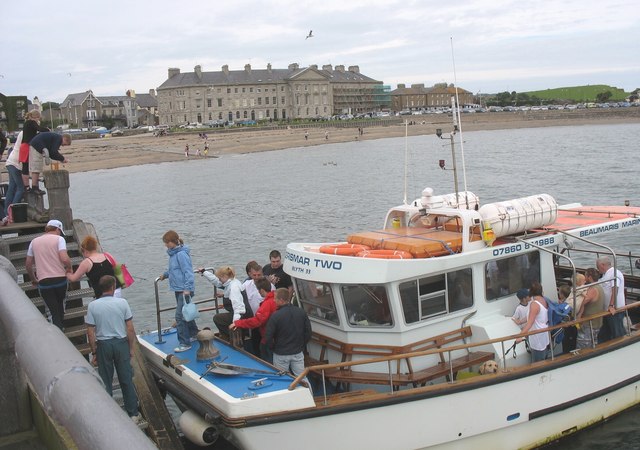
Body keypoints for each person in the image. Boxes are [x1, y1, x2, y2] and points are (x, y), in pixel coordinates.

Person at [85, 275, 141, 424]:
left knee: (105, 380)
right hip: (121, 343)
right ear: (113, 286)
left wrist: (94, 352)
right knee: (126, 379)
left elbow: (90, 331)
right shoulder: (122, 303)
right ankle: (133, 413)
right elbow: (130, 329)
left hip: (103, 345)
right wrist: (130, 348)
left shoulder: (93, 306)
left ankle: (108, 414)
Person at [25, 220, 72, 329]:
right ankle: (61, 330)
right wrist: (69, 267)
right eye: (60, 231)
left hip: (44, 282)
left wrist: (33, 279)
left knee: (52, 311)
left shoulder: (34, 242)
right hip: (60, 280)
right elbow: (64, 258)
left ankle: (58, 330)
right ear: (57, 229)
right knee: (60, 306)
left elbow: (28, 264)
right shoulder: (59, 239)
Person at [159, 230, 198, 352]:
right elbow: (174, 270)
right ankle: (193, 333)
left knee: (180, 316)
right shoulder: (173, 254)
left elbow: (188, 272)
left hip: (184, 289)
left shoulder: (181, 254)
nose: (165, 245)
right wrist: (165, 275)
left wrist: (187, 288)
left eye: (167, 242)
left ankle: (184, 343)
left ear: (172, 242)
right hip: (178, 288)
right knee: (186, 313)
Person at [264, 288, 312, 378]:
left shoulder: (275, 316)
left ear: (281, 300)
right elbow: (308, 333)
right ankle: (308, 391)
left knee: (282, 378)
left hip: (281, 353)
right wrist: (301, 345)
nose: (274, 300)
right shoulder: (301, 312)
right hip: (297, 352)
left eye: (275, 298)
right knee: (301, 378)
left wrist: (273, 348)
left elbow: (268, 337)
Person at [230, 277, 277, 362]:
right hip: (278, 337)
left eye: (258, 290)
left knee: (267, 357)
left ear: (262, 290)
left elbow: (257, 321)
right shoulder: (276, 299)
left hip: (269, 338)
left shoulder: (267, 304)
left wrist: (238, 323)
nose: (258, 292)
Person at [200, 266, 248, 342]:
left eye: (220, 278)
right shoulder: (231, 282)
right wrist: (204, 272)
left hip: (242, 315)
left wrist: (235, 323)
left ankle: (234, 337)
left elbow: (238, 306)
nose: (219, 280)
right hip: (238, 313)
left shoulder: (233, 287)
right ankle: (227, 336)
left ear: (225, 276)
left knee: (217, 318)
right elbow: (216, 281)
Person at [516, 282, 549, 363]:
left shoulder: (534, 304)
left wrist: (520, 336)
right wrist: (520, 321)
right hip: (544, 333)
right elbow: (534, 316)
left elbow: (530, 323)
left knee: (537, 362)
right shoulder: (544, 300)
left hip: (537, 337)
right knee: (543, 358)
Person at [596, 256, 626, 342]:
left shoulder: (614, 273)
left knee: (618, 333)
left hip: (614, 311)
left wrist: (611, 305)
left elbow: (615, 289)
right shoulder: (606, 274)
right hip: (607, 311)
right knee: (603, 334)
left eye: (598, 267)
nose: (598, 269)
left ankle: (622, 347)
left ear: (602, 265)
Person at [19, 110, 49, 192]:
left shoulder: (26, 123)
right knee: (29, 166)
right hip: (27, 146)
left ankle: (26, 187)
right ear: (36, 117)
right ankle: (31, 187)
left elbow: (31, 134)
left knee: (25, 166)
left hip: (23, 146)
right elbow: (39, 129)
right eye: (38, 118)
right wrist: (47, 130)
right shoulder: (32, 122)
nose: (38, 120)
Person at [576, 268, 605, 349]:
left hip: (589, 324)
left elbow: (582, 303)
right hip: (597, 322)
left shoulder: (592, 289)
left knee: (583, 347)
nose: (585, 278)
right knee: (593, 344)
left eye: (585, 276)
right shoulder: (600, 287)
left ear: (589, 277)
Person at [2, 131, 24, 226]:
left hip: (9, 162)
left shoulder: (21, 135)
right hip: (15, 164)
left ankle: (6, 213)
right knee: (20, 188)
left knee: (11, 187)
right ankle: (12, 211)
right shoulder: (25, 136)